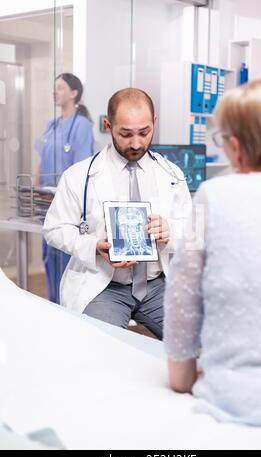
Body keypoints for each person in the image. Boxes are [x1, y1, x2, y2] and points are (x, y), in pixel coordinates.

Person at [164, 79, 261, 430]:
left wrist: (182, 376)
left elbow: (183, 298)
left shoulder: (213, 195)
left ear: (236, 148)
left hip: (232, 398)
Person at [43, 88, 191, 339]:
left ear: (154, 123)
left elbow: (193, 230)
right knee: (101, 348)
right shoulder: (79, 176)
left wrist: (170, 231)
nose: (136, 143)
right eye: (125, 134)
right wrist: (93, 247)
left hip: (158, 285)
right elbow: (54, 229)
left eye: (144, 132)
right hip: (105, 286)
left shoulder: (172, 175)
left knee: (197, 344)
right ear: (108, 125)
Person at [36, 73, 94, 304]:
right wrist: (36, 191)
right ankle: (53, 306)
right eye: (54, 88)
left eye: (60, 88)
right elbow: (41, 159)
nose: (55, 92)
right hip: (46, 201)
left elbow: (82, 168)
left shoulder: (82, 126)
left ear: (74, 93)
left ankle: (67, 311)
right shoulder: (51, 125)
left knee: (65, 257)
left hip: (68, 203)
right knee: (49, 255)